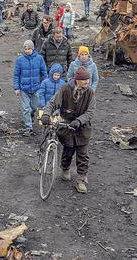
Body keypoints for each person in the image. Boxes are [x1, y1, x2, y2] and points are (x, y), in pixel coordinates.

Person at [41, 66, 95, 194]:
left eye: (88, 80)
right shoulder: (65, 89)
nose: (87, 82)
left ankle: (81, 180)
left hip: (82, 128)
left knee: (83, 155)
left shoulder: (90, 93)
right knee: (68, 151)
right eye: (84, 80)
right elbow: (52, 103)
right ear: (77, 80)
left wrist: (79, 120)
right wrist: (46, 114)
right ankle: (65, 168)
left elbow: (90, 112)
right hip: (66, 127)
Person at [13, 40, 47, 134]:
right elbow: (16, 74)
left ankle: (31, 115)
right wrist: (16, 88)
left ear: (33, 49)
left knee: (35, 107)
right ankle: (28, 127)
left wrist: (44, 85)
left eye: (29, 49)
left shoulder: (39, 59)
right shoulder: (20, 60)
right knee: (26, 108)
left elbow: (44, 73)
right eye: (25, 49)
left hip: (36, 87)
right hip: (24, 88)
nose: (27, 50)